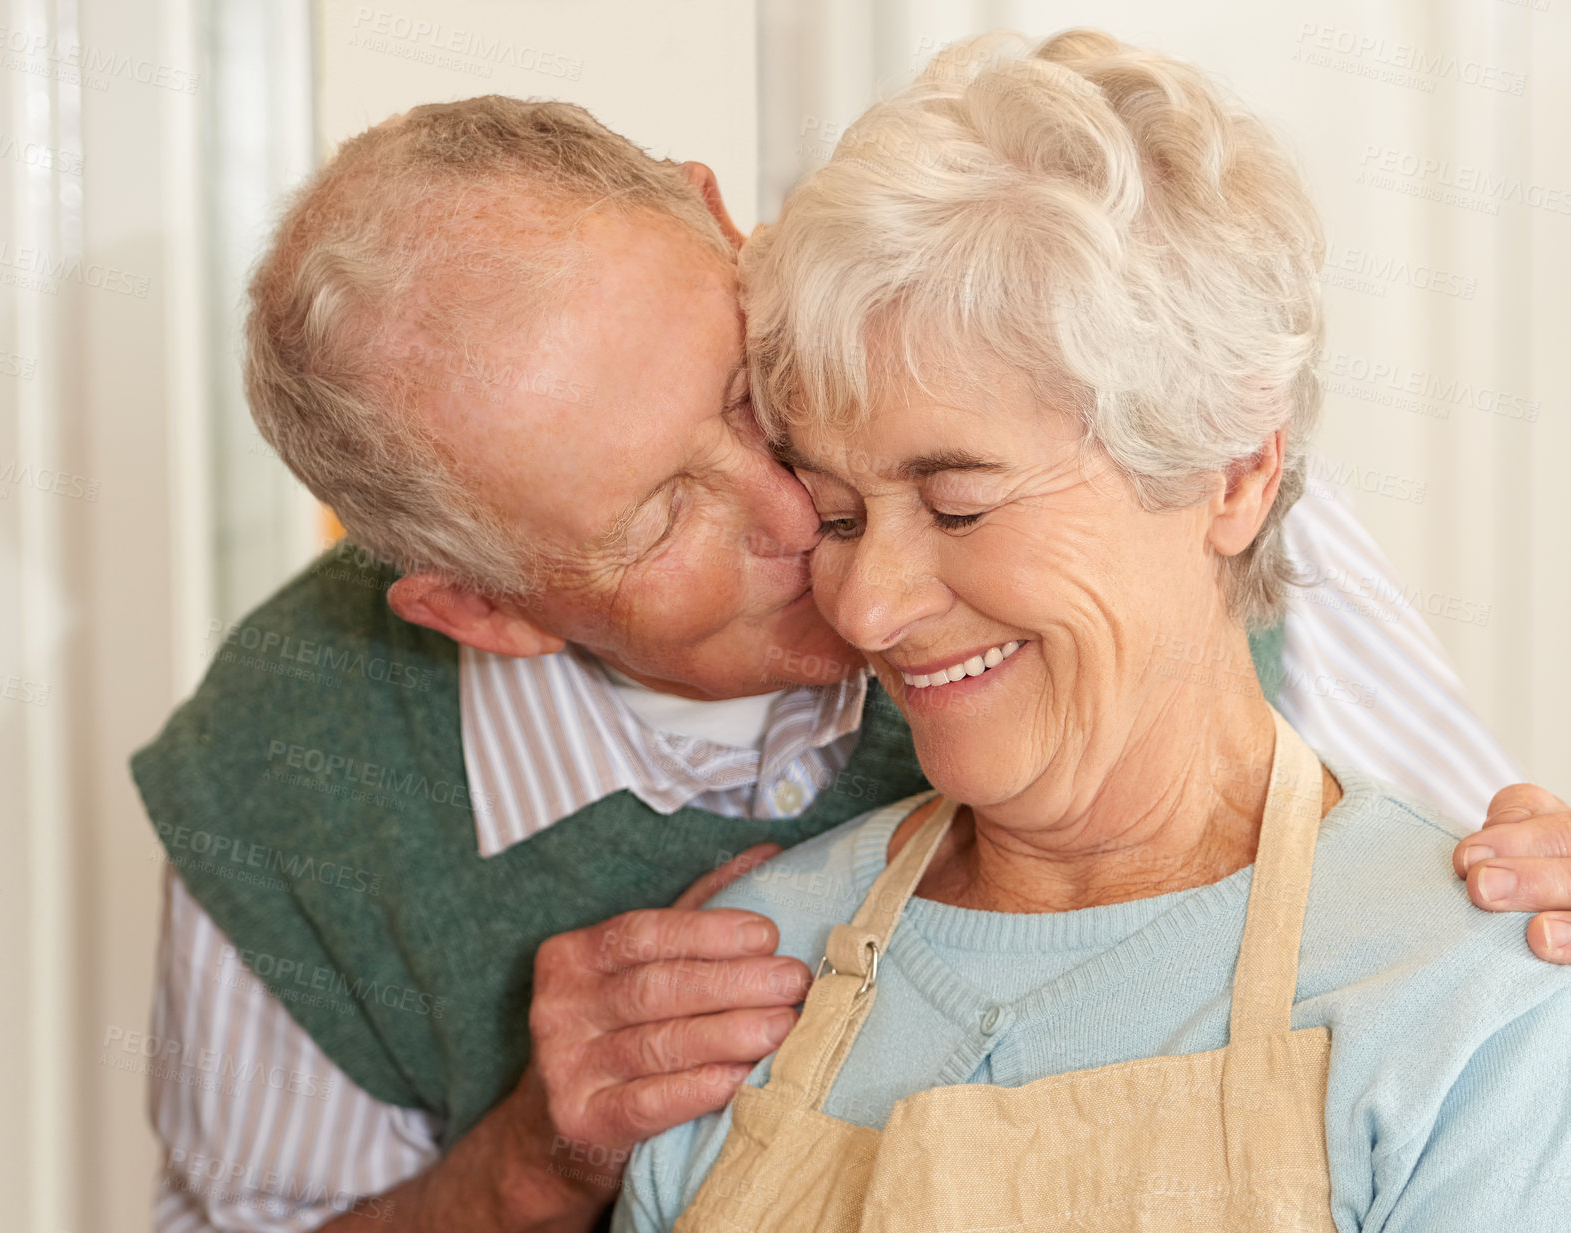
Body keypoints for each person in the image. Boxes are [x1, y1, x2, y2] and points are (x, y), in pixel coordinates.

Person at [132, 87, 1571, 1233]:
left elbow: (1485, 913)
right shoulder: (282, 775)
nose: (828, 555)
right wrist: (528, 1167)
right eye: (658, 520)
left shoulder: (1172, 488)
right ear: (485, 610)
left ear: (726, 228)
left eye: (750, 397)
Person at [616, 30, 1571, 1232]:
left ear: (1233, 473)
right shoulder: (739, 983)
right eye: (842, 514)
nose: (864, 607)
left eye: (960, 502)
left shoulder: (1482, 997)